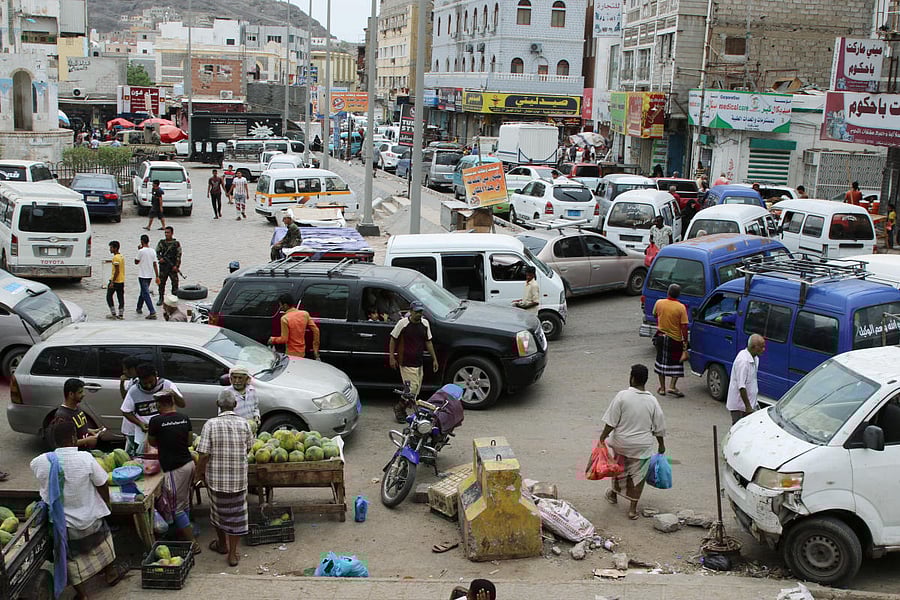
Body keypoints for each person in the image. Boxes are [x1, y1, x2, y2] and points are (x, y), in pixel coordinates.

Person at [31, 418, 127, 599]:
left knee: (72, 560)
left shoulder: (41, 461)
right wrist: (107, 503)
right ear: (75, 438)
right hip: (91, 519)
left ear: (53, 440)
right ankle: (110, 573)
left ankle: (82, 594)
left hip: (66, 526)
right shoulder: (85, 458)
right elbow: (102, 483)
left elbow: (40, 477)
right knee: (104, 543)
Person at [595, 364, 666, 520]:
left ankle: (613, 495)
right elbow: (659, 426)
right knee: (638, 476)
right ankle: (632, 509)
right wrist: (661, 445)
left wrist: (602, 438)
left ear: (632, 378)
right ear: (645, 380)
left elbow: (611, 422)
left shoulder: (622, 396)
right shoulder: (652, 401)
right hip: (642, 447)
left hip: (621, 444)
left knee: (619, 469)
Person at [196, 394, 254, 567]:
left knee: (218, 513)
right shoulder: (244, 424)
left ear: (217, 405)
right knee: (236, 516)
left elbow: (204, 454)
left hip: (216, 481)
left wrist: (198, 474)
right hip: (238, 480)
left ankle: (222, 544)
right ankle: (232, 553)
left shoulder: (210, 424)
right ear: (235, 404)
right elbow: (249, 447)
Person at [147, 390, 199, 552]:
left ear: (159, 404)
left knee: (176, 507)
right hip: (189, 464)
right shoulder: (184, 418)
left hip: (174, 469)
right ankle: (185, 531)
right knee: (184, 502)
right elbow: (190, 441)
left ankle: (192, 543)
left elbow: (152, 442)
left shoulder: (155, 421)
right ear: (173, 402)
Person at [389, 300, 439, 422]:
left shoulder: (425, 324)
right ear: (411, 312)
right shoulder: (403, 324)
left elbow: (428, 342)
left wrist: (434, 359)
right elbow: (393, 339)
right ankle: (399, 409)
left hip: (418, 361)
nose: (419, 314)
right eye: (416, 312)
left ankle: (403, 408)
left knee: (416, 390)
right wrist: (392, 357)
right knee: (411, 388)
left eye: (420, 312)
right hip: (406, 361)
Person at [121, 363, 184, 456]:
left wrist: (173, 394)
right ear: (139, 379)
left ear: (156, 375)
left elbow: (182, 404)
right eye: (145, 383)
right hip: (145, 435)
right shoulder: (134, 391)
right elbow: (126, 411)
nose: (149, 386)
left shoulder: (167, 384)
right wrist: (140, 424)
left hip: (167, 431)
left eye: (151, 382)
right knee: (146, 461)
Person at [652, 283, 689, 397]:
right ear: (679, 295)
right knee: (677, 362)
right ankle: (672, 386)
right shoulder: (681, 307)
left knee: (661, 362)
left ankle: (662, 388)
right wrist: (685, 341)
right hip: (675, 339)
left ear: (668, 292)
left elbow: (655, 315)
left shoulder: (659, 303)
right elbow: (684, 326)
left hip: (661, 337)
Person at [727, 334, 766, 424]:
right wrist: (748, 407)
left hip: (750, 404)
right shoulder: (743, 361)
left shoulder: (755, 358)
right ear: (753, 347)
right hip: (740, 406)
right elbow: (741, 387)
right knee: (738, 429)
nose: (764, 349)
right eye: (761, 347)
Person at [268, 293, 320, 359]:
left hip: (291, 353)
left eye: (280, 305)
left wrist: (273, 339)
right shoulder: (305, 314)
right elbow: (316, 330)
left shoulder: (285, 318)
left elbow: (284, 339)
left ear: (285, 305)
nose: (280, 307)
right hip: (302, 352)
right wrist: (315, 350)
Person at [56, 378, 104, 450]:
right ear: (71, 394)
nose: (83, 394)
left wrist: (91, 431)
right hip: (75, 457)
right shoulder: (63, 416)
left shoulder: (77, 407)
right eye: (80, 392)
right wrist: (87, 440)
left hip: (84, 453)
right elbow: (67, 443)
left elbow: (77, 428)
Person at [135, 234, 159, 319]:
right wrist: (157, 276)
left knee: (145, 293)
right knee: (143, 291)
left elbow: (136, 262)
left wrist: (139, 250)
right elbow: (155, 264)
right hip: (150, 275)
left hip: (142, 275)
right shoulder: (152, 251)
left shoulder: (141, 251)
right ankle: (139, 307)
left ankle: (152, 311)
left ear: (141, 241)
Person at [156, 226, 182, 305]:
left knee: (175, 283)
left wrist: (176, 266)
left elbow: (179, 255)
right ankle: (161, 297)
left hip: (172, 266)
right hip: (163, 266)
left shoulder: (176, 244)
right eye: (165, 233)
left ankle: (173, 298)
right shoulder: (161, 243)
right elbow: (157, 252)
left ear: (172, 233)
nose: (166, 234)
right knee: (161, 283)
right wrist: (160, 258)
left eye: (168, 233)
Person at [105, 241, 125, 320]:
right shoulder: (121, 256)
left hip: (115, 281)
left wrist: (112, 282)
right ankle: (121, 314)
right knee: (120, 297)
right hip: (121, 281)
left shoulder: (115, 258)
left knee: (109, 296)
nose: (110, 249)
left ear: (115, 248)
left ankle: (113, 313)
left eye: (111, 247)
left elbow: (117, 271)